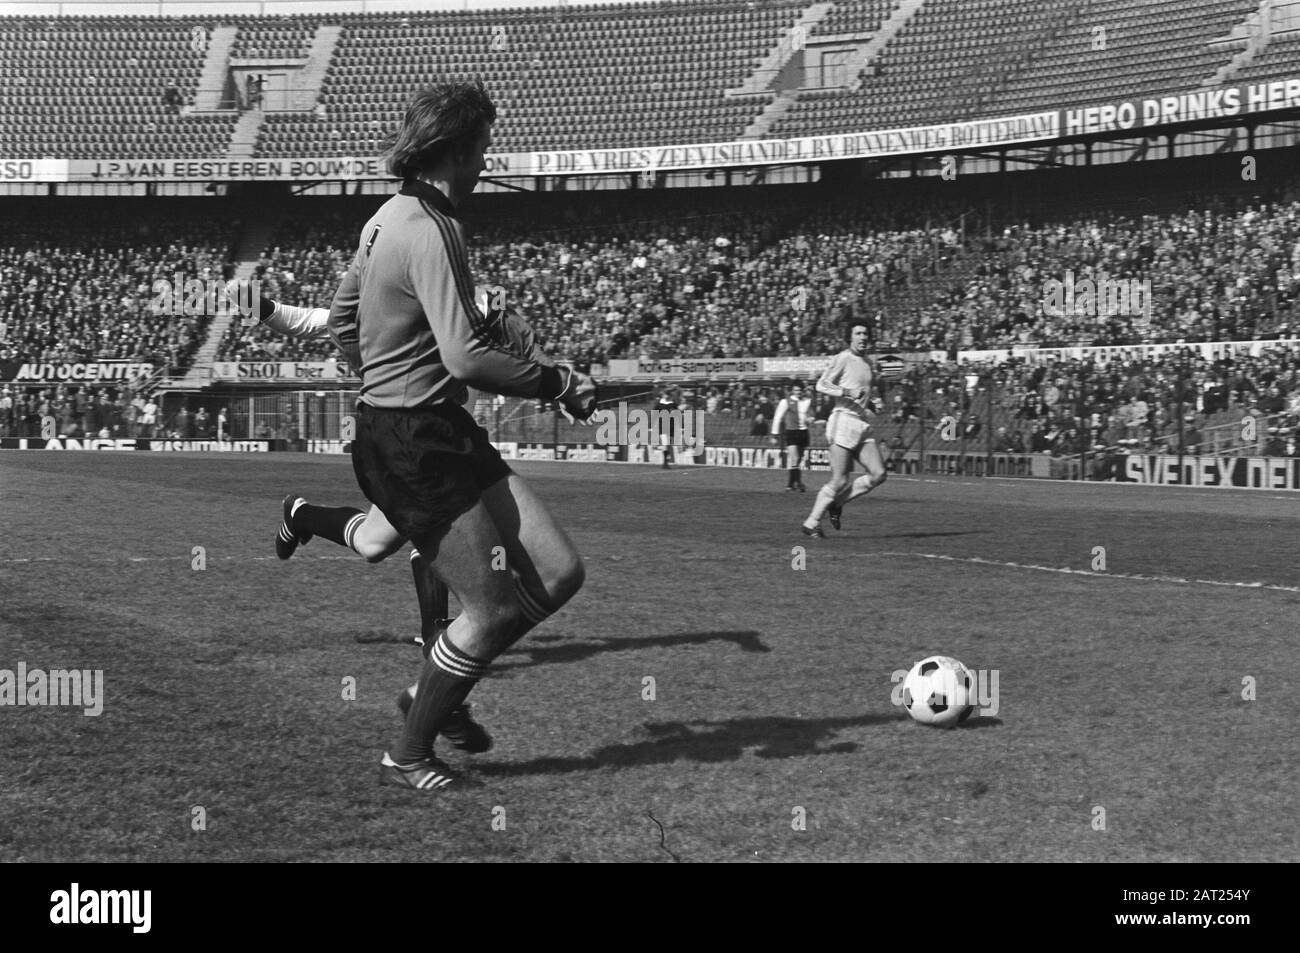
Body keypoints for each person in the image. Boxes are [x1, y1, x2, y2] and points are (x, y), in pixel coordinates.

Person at [294, 81, 597, 792]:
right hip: (412, 439)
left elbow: (343, 319)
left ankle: (440, 686)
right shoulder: (433, 229)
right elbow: (464, 356)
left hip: (434, 426)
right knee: (489, 608)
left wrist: (376, 364)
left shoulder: (384, 219)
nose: (486, 160)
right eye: (483, 146)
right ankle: (408, 750)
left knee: (558, 572)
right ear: (456, 148)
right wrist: (555, 381)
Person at [801, 323, 887, 538]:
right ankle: (811, 522)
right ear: (850, 338)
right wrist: (847, 391)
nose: (862, 336)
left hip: (861, 422)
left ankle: (837, 503)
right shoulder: (843, 358)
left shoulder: (868, 363)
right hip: (843, 420)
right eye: (858, 333)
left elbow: (863, 394)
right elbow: (821, 385)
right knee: (840, 479)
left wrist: (873, 403)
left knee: (879, 474)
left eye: (865, 333)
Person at [770, 382, 812, 491]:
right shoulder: (785, 402)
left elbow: (810, 415)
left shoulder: (807, 401)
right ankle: (795, 484)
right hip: (791, 432)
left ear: (802, 390)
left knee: (798, 461)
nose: (798, 392)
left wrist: (810, 419)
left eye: (799, 390)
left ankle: (793, 484)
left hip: (804, 433)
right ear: (792, 390)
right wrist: (774, 434)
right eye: (796, 390)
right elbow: (777, 417)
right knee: (795, 458)